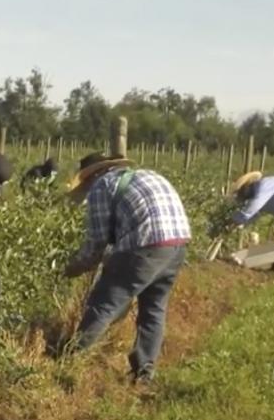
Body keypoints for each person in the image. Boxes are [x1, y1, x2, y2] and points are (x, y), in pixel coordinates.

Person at [61, 153, 191, 384]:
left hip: (145, 246)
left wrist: (75, 267)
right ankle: (145, 373)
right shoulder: (148, 175)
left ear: (92, 176)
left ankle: (69, 361)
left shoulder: (101, 186)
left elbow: (97, 242)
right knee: (153, 309)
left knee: (103, 304)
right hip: (177, 245)